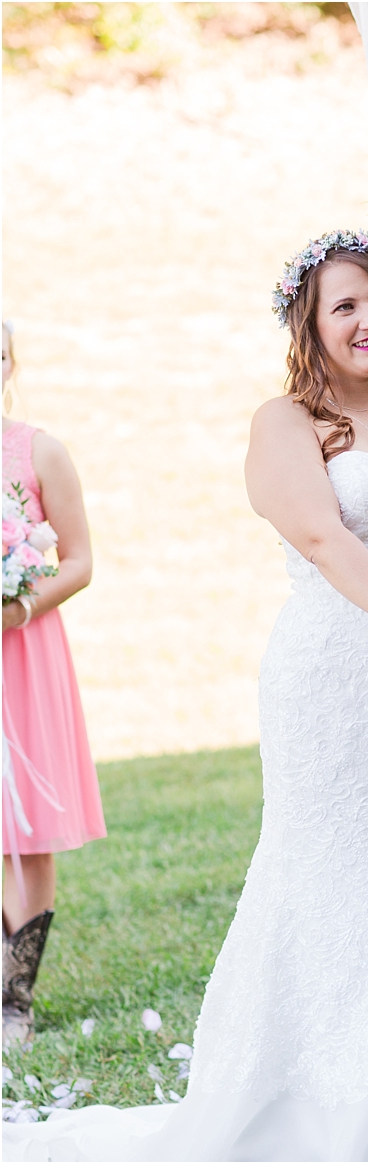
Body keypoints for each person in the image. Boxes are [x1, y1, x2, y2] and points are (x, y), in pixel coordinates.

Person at [3, 234, 368, 1162]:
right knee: (337, 871)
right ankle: (332, 1108)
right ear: (309, 324)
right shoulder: (285, 424)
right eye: (344, 306)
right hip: (344, 671)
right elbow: (319, 533)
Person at [2, 320, 106, 1049]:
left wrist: (17, 605)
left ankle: (15, 998)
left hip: (24, 654)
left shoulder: (40, 452)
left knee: (27, 833)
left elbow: (78, 560)